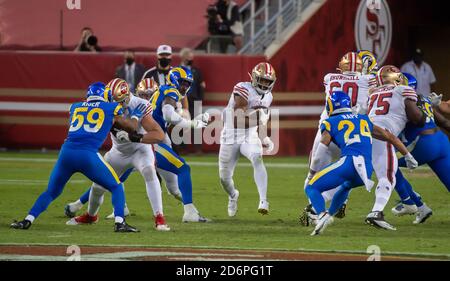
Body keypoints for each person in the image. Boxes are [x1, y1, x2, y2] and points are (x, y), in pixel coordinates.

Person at [65, 77, 211, 223]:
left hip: (149, 145)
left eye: (149, 95)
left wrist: (190, 122)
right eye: (143, 95)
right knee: (105, 180)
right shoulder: (109, 105)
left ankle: (180, 212)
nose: (146, 98)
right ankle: (87, 208)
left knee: (172, 180)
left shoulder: (144, 105)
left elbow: (157, 132)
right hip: (123, 150)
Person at [10, 82, 148, 232]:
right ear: (105, 95)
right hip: (87, 154)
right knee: (116, 186)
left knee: (51, 191)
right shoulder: (111, 107)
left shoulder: (75, 107)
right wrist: (136, 115)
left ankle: (27, 220)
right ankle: (120, 223)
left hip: (67, 153)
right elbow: (131, 127)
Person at [305, 91, 417, 235]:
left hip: (349, 162)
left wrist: (312, 172)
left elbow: (320, 151)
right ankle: (330, 214)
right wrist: (408, 155)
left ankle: (321, 215)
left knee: (311, 187)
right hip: (366, 169)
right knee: (346, 186)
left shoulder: (330, 121)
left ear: (331, 106)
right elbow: (390, 136)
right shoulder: (364, 119)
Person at [65, 78, 171, 231]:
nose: (117, 105)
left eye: (120, 102)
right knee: (98, 184)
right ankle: (91, 215)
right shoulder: (107, 106)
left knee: (149, 171)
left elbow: (159, 135)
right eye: (113, 101)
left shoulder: (139, 105)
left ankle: (159, 218)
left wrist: (136, 137)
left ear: (127, 96)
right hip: (118, 152)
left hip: (140, 150)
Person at [301, 52, 377, 225]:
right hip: (353, 130)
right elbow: (371, 90)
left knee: (312, 177)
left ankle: (315, 210)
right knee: (349, 172)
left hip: (328, 128)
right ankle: (340, 201)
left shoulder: (329, 77)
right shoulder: (368, 80)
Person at [365, 65, 426, 230]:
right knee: (388, 177)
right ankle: (376, 213)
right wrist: (424, 107)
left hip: (364, 134)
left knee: (353, 177)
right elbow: (416, 117)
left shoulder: (373, 93)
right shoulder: (403, 90)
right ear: (397, 77)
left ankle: (316, 208)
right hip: (382, 136)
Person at [391, 73, 450, 224]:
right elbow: (443, 121)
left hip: (422, 144)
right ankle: (415, 203)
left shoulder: (401, 100)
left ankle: (411, 202)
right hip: (441, 141)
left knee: (387, 163)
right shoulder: (423, 98)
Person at [219, 62, 276, 217]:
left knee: (257, 158)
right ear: (254, 78)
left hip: (250, 136)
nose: (264, 84)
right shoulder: (243, 89)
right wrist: (258, 120)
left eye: (268, 81)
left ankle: (263, 200)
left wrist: (265, 137)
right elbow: (237, 120)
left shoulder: (268, 96)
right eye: (262, 80)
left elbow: (261, 121)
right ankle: (233, 195)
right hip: (231, 135)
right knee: (224, 178)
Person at [180, 48, 206, 154]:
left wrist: (200, 99)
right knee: (181, 124)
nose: (191, 59)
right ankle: (182, 148)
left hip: (194, 100)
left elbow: (202, 86)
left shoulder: (196, 71)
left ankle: (198, 149)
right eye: (189, 56)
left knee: (197, 124)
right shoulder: (177, 70)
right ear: (184, 57)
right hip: (181, 101)